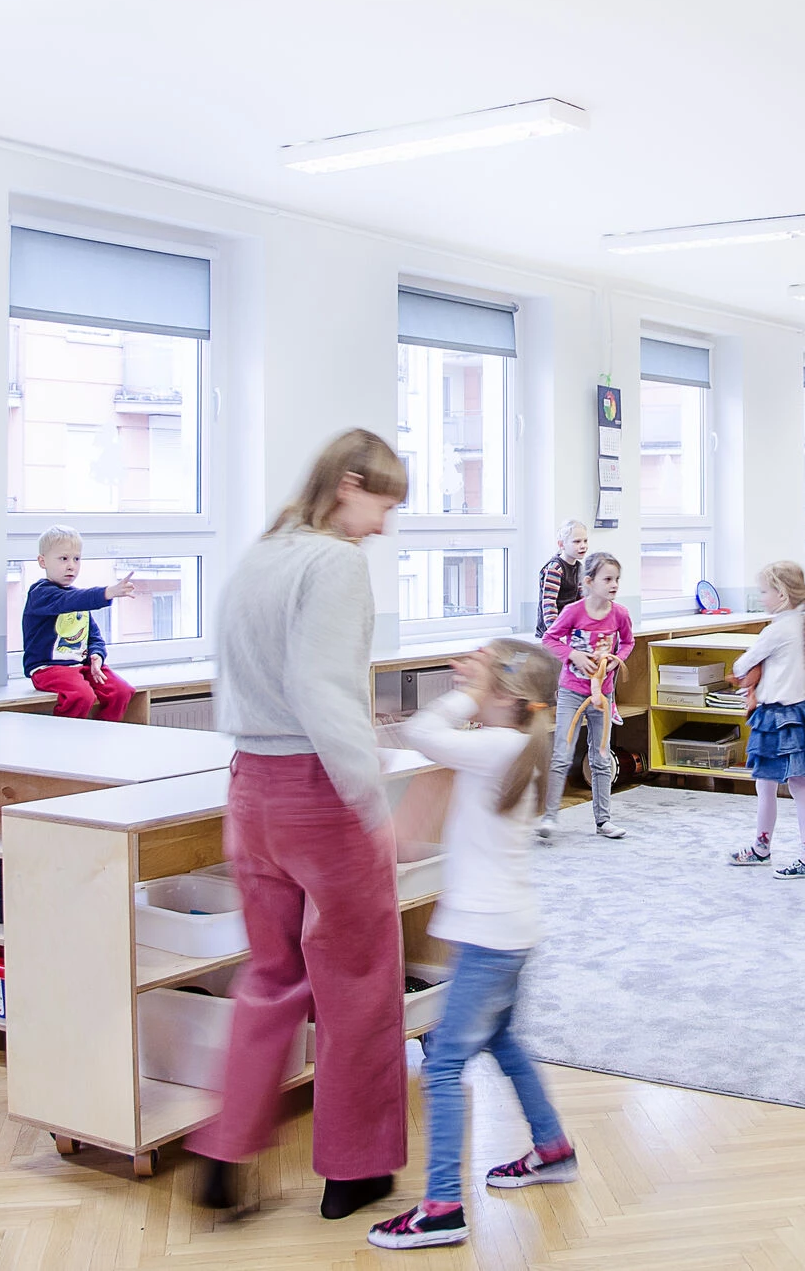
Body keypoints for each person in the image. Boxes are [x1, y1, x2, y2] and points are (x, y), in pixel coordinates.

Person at [190, 430, 410, 1223]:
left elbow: (262, 680)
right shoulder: (333, 562)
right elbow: (320, 691)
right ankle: (355, 1170)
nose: (384, 527)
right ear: (349, 484)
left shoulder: (261, 554)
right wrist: (370, 803)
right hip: (320, 793)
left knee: (272, 975)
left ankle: (225, 1145)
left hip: (250, 786)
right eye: (383, 506)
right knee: (358, 982)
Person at [369, 640, 579, 1250]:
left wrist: (467, 690)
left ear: (507, 697)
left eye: (486, 677)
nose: (471, 682)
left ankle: (441, 1208)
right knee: (504, 1044)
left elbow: (421, 729)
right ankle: (552, 1148)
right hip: (507, 931)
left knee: (442, 1069)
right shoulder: (515, 745)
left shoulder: (496, 746)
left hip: (490, 936)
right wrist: (486, 683)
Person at [724, 561, 805, 879]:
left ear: (782, 595)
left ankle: (800, 857)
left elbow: (743, 665)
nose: (760, 597)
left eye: (763, 592)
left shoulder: (776, 630)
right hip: (799, 713)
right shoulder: (804, 627)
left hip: (775, 717)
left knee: (774, 786)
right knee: (792, 785)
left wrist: (752, 671)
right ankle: (768, 849)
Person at [540, 552, 633, 840]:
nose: (614, 584)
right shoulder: (573, 612)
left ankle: (603, 820)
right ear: (589, 582)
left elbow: (628, 642)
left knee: (601, 756)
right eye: (607, 579)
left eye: (617, 579)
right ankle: (550, 817)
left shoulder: (620, 614)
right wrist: (575, 656)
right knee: (561, 754)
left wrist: (617, 659)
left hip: (602, 695)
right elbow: (549, 639)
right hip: (572, 692)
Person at [21, 528, 139, 720]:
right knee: (82, 696)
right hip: (48, 669)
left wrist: (97, 656)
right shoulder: (40, 594)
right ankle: (66, 740)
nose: (71, 566)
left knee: (122, 691)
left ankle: (103, 735)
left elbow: (94, 636)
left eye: (76, 559)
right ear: (43, 561)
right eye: (63, 559)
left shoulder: (77, 599)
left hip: (81, 666)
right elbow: (70, 601)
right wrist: (107, 592)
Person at [534, 521, 588, 636]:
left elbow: (582, 600)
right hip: (552, 631)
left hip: (569, 628)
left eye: (585, 541)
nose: (583, 545)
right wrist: (555, 633)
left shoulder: (579, 568)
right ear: (561, 544)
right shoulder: (555, 568)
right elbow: (549, 603)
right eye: (577, 541)